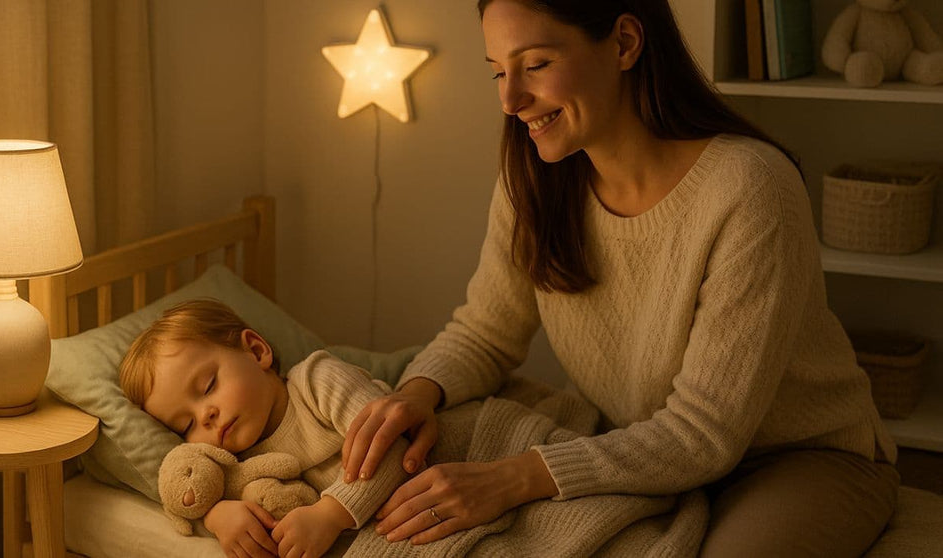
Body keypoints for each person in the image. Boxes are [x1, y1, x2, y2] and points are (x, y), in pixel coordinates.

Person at [341, 1, 900, 556]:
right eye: (498, 72)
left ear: (625, 43)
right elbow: (487, 333)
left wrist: (513, 478)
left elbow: (703, 433)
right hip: (634, 447)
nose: (510, 101)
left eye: (535, 65)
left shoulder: (751, 189)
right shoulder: (535, 179)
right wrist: (417, 394)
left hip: (793, 458)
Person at [119, 299, 408, 558]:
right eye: (187, 425)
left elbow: (393, 445)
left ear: (256, 351)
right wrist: (216, 517)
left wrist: (330, 515)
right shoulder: (233, 464)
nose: (205, 416)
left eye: (208, 386)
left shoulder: (318, 381)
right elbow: (189, 499)